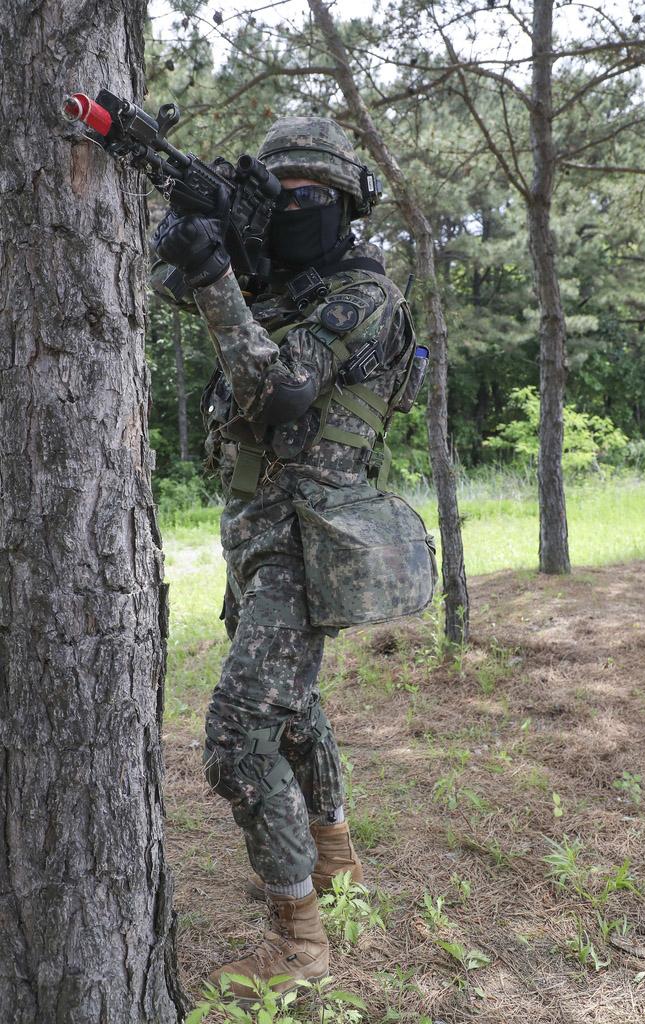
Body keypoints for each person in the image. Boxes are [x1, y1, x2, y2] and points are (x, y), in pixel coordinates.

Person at [151, 116, 427, 1002]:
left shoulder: (359, 294)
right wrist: (205, 245)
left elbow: (279, 395)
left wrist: (217, 276)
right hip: (259, 533)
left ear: (347, 209)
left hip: (313, 544)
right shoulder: (283, 281)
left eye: (315, 197)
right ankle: (337, 871)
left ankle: (300, 943)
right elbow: (169, 288)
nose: (297, 209)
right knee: (297, 711)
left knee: (235, 742)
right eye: (283, 196)